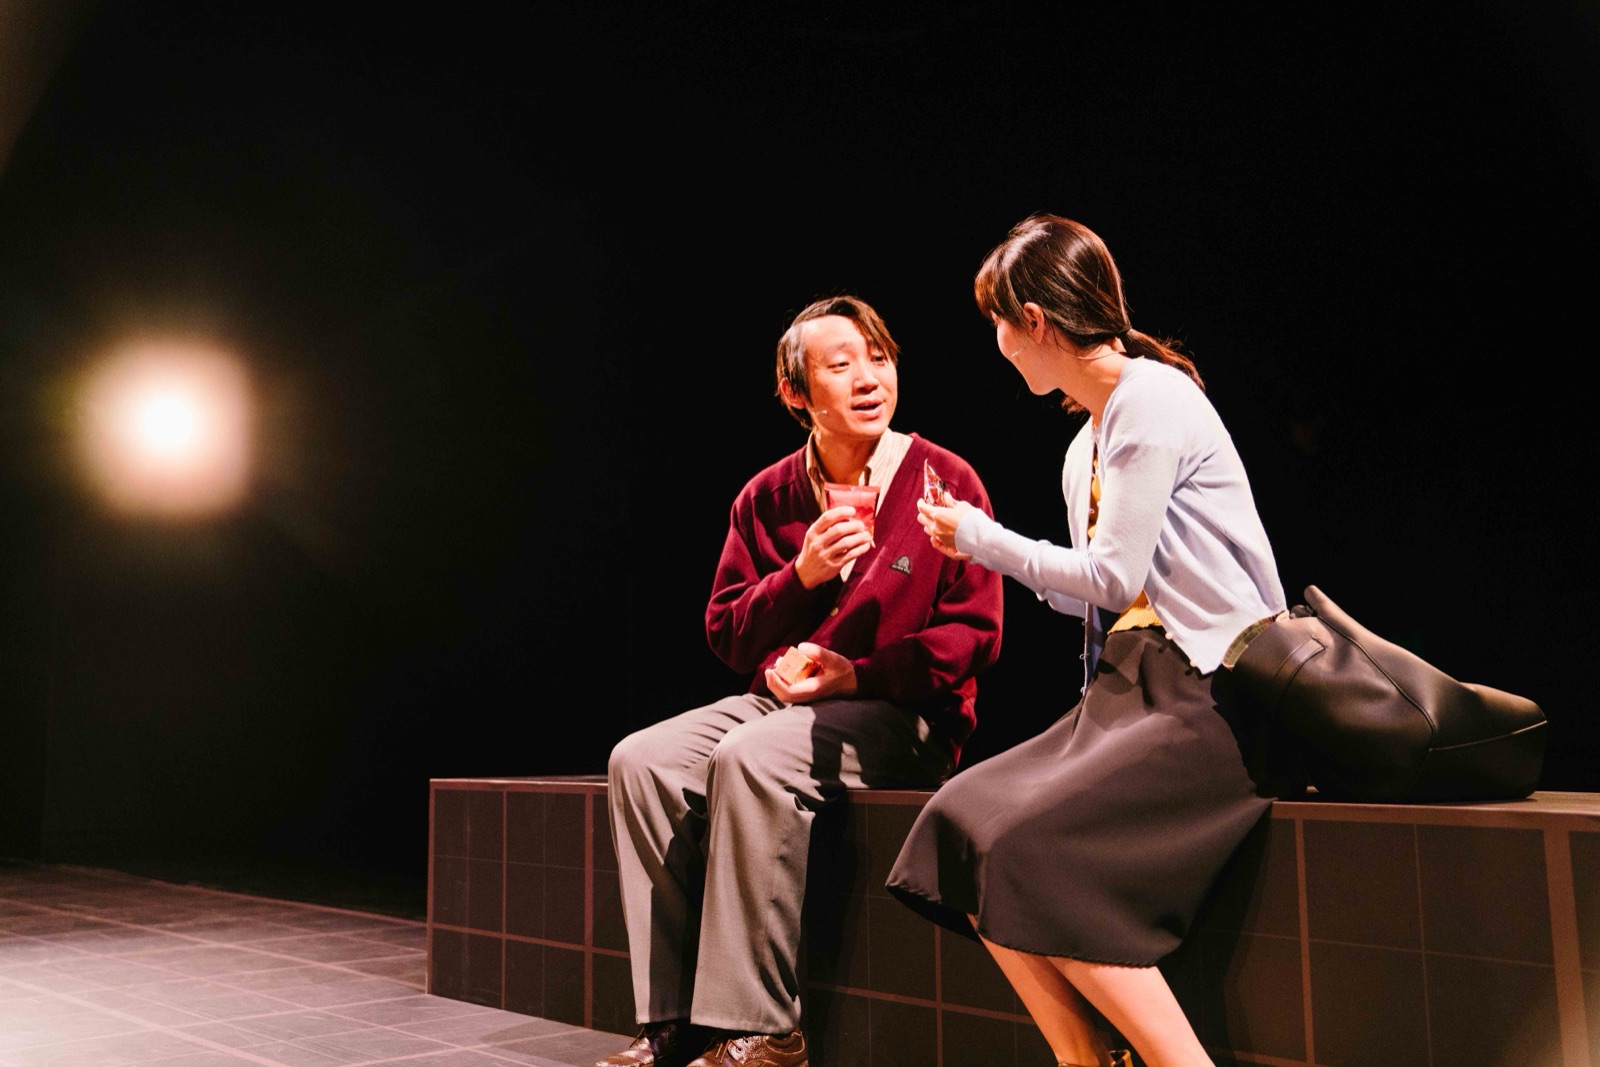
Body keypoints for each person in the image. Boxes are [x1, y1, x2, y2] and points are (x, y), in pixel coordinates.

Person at [886, 214, 1288, 1067]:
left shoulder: (1152, 398)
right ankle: (1085, 1058)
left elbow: (1110, 574)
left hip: (1208, 691)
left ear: (1035, 321)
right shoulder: (1086, 442)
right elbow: (1093, 599)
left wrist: (986, 538)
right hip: (1126, 687)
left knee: (1034, 854)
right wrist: (980, 549)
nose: (999, 344)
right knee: (959, 819)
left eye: (1000, 322)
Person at [601, 295, 1005, 1067]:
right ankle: (672, 1021)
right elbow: (727, 632)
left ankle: (765, 1030)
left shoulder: (944, 478)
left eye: (879, 358)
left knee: (750, 757)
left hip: (904, 715)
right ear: (796, 392)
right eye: (841, 364)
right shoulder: (767, 496)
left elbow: (974, 635)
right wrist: (800, 576)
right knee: (641, 760)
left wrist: (859, 673)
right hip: (781, 707)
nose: (868, 378)